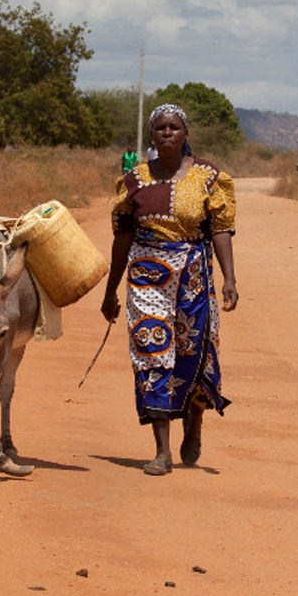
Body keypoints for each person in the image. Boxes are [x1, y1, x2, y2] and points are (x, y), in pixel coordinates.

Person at [101, 103, 238, 476]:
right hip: (146, 272)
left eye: (174, 127)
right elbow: (122, 238)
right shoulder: (134, 180)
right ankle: (162, 451)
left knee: (194, 350)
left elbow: (220, 230)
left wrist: (230, 279)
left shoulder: (210, 177)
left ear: (185, 133)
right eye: (160, 127)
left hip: (194, 274)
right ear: (152, 135)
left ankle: (194, 423)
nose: (167, 133)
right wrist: (111, 290)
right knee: (152, 347)